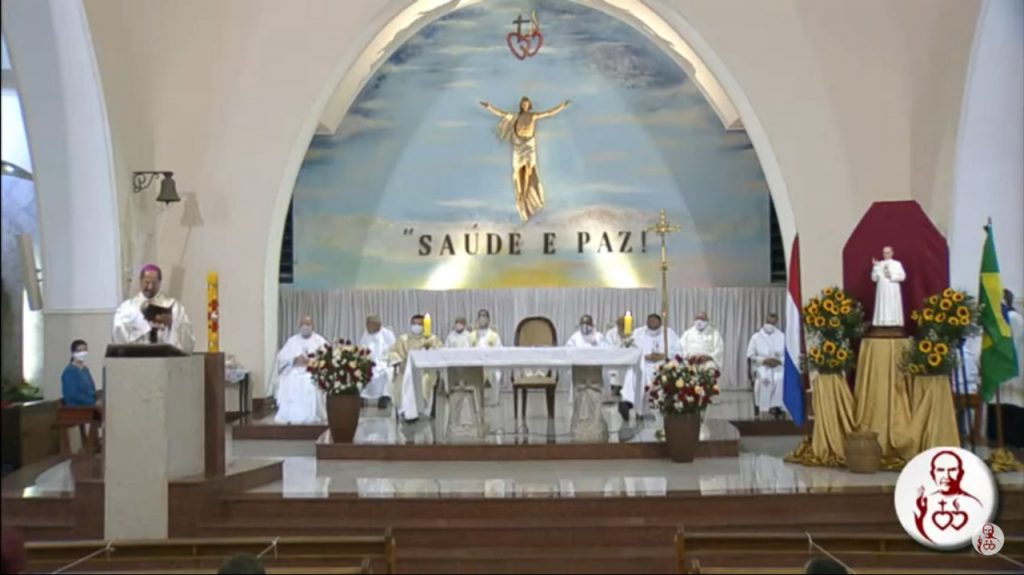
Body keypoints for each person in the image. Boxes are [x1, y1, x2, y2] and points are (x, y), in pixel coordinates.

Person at [480, 96, 571, 222]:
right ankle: (521, 194)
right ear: (521, 105)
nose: (525, 106)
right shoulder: (515, 116)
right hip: (518, 145)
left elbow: (549, 113)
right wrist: (489, 106)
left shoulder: (533, 116)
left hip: (529, 145)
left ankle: (525, 191)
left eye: (527, 104)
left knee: (529, 169)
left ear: (530, 105)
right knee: (517, 170)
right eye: (523, 104)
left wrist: (562, 106)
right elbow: (501, 113)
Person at [112, 264, 194, 352]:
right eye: (147, 282)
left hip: (165, 359)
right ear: (141, 281)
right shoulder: (127, 308)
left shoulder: (174, 307)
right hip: (137, 359)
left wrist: (172, 323)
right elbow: (118, 335)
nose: (150, 287)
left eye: (154, 283)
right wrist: (144, 327)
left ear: (159, 283)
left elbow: (187, 339)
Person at [620, 313, 680, 421]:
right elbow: (630, 351)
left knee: (670, 374)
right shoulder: (638, 333)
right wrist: (645, 356)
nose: (652, 323)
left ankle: (666, 409)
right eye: (650, 321)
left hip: (662, 364)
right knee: (632, 373)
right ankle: (630, 405)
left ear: (660, 323)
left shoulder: (669, 333)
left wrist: (663, 355)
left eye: (655, 321)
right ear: (646, 322)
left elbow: (678, 352)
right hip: (644, 364)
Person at [273, 316, 328, 425]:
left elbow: (327, 357)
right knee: (291, 381)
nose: (305, 327)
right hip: (295, 370)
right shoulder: (292, 340)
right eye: (303, 324)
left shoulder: (319, 340)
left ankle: (312, 413)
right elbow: (281, 357)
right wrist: (294, 359)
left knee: (309, 382)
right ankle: (291, 414)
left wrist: (311, 361)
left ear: (312, 326)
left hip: (311, 371)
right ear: (299, 326)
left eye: (308, 324)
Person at [390, 314, 442, 421]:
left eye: (420, 324)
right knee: (401, 381)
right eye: (414, 324)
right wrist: (400, 362)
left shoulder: (432, 338)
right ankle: (405, 409)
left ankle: (422, 409)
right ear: (410, 324)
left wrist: (429, 352)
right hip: (405, 370)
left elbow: (440, 352)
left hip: (426, 371)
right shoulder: (403, 338)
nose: (417, 326)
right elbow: (393, 353)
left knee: (426, 381)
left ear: (424, 325)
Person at [988, 289, 1023, 447]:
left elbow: (1010, 344)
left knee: (1011, 408)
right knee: (999, 409)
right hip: (1000, 373)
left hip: (1012, 371)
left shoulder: (1014, 318)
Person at [746, 313, 785, 419]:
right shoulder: (756, 337)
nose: (770, 325)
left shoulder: (781, 336)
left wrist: (779, 361)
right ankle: (763, 408)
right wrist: (764, 361)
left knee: (780, 379)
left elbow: (787, 356)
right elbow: (750, 355)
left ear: (776, 323)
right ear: (765, 321)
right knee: (764, 379)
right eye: (768, 322)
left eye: (772, 323)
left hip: (778, 366)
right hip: (761, 366)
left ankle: (777, 407)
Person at [359, 314, 396, 409]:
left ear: (377, 325)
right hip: (370, 362)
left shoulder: (387, 334)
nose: (368, 327)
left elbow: (393, 351)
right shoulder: (366, 334)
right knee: (361, 371)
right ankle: (363, 396)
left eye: (370, 325)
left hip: (384, 362)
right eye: (367, 325)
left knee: (387, 372)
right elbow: (362, 349)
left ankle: (384, 396)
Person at [470, 309, 503, 403]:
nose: (482, 318)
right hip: (475, 365)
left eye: (484, 316)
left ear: (488, 320)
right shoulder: (472, 335)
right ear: (477, 319)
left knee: (495, 374)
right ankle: (476, 401)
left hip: (490, 365)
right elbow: (467, 351)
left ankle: (493, 401)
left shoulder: (494, 335)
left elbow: (499, 351)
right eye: (480, 316)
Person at [870, 246, 906, 327]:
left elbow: (902, 276)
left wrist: (891, 275)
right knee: (882, 304)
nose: (885, 254)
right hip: (882, 290)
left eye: (888, 252)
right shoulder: (879, 264)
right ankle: (881, 322)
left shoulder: (897, 264)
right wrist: (875, 267)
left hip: (892, 289)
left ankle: (893, 322)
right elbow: (874, 278)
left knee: (892, 305)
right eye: (884, 253)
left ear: (892, 253)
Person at [61, 339, 97, 407]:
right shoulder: (70, 371)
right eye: (79, 350)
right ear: (73, 353)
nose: (82, 353)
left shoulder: (85, 370)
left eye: (85, 350)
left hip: (90, 406)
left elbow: (91, 389)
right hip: (77, 409)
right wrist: (92, 402)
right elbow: (73, 394)